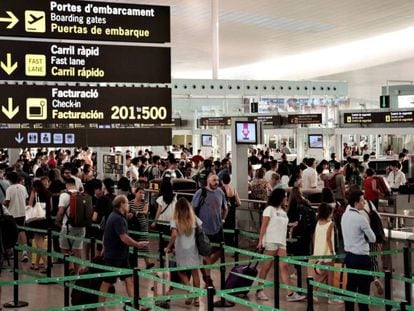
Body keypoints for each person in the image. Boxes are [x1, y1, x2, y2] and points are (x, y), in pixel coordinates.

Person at [98, 195, 149, 311]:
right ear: (121, 204)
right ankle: (99, 307)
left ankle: (136, 305)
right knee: (107, 281)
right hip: (114, 256)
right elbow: (124, 237)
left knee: (128, 279)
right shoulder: (117, 218)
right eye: (126, 203)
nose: (128, 206)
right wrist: (137, 244)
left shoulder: (118, 216)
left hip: (121, 255)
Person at [256, 188, 306, 302]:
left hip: (282, 242)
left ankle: (290, 293)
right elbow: (264, 226)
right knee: (266, 266)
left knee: (284, 266)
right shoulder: (269, 209)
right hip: (271, 241)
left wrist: (291, 224)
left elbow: (282, 224)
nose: (286, 198)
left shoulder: (283, 212)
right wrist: (260, 241)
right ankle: (259, 290)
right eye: (284, 196)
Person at [341, 190, 376, 311]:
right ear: (356, 203)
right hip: (362, 257)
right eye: (362, 200)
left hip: (349, 256)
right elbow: (373, 238)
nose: (364, 202)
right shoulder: (361, 219)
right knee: (363, 289)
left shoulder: (345, 216)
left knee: (350, 286)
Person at [191, 174, 228, 288]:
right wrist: (196, 224)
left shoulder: (220, 193)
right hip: (204, 229)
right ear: (208, 181)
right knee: (207, 253)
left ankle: (206, 268)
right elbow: (192, 208)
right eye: (214, 180)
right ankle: (208, 279)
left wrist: (222, 219)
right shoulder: (200, 193)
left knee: (220, 251)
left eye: (217, 180)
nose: (216, 182)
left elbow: (225, 208)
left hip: (217, 228)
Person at [165, 197, 202, 307]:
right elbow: (201, 230)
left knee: (181, 272)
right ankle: (197, 299)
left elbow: (174, 235)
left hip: (181, 249)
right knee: (195, 272)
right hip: (193, 249)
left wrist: (168, 247)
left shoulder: (175, 219)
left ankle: (189, 290)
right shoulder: (194, 218)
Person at [309, 203, 343, 305]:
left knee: (324, 274)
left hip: (319, 252)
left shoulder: (318, 222)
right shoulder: (330, 223)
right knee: (330, 275)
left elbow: (314, 237)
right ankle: (331, 297)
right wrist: (333, 252)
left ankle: (313, 291)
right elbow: (329, 239)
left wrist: (316, 250)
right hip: (328, 252)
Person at [55, 178, 88, 274]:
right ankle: (77, 272)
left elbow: (61, 212)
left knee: (64, 248)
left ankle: (69, 268)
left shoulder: (64, 195)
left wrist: (57, 221)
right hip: (81, 227)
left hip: (68, 227)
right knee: (77, 249)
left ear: (66, 185)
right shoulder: (82, 195)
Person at [27, 180, 52, 272]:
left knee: (39, 244)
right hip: (46, 219)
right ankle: (36, 264)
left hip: (37, 221)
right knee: (39, 243)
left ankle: (46, 264)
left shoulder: (34, 192)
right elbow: (51, 207)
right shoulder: (48, 193)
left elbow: (30, 205)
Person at [3, 171, 29, 262]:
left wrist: (3, 205)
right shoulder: (23, 187)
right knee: (22, 231)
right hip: (22, 212)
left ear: (9, 180)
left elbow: (7, 201)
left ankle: (13, 251)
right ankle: (25, 252)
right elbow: (26, 199)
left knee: (12, 232)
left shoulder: (9, 189)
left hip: (12, 213)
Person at [128, 187, 154, 269]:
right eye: (140, 192)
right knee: (134, 243)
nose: (141, 194)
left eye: (143, 193)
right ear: (136, 193)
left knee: (144, 242)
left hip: (143, 225)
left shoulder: (145, 202)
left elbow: (145, 212)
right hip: (134, 225)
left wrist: (136, 212)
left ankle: (147, 262)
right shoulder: (130, 203)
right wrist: (131, 214)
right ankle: (134, 264)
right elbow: (128, 213)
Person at [152, 177, 177, 248]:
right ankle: (169, 249)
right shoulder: (175, 198)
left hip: (162, 221)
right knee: (170, 237)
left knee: (162, 238)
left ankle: (162, 254)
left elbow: (158, 211)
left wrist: (154, 221)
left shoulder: (161, 198)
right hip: (171, 221)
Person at [220, 173, 241, 246]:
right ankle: (232, 246)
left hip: (223, 212)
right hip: (232, 211)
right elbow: (239, 203)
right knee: (231, 227)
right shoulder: (233, 189)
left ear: (222, 181)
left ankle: (224, 246)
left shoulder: (220, 189)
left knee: (224, 228)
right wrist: (233, 206)